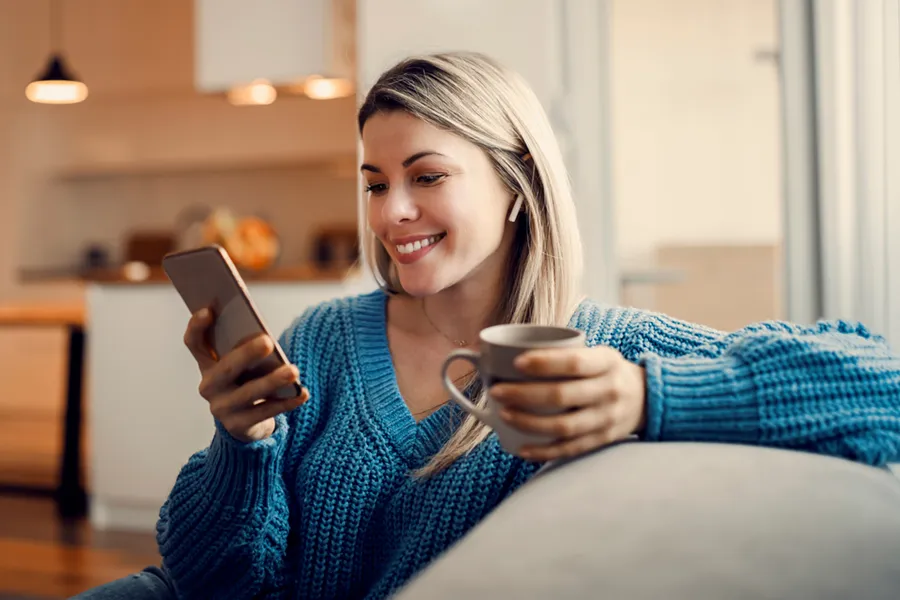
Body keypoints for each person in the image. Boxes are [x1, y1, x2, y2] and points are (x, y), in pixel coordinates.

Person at [74, 51, 900, 600]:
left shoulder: (603, 353)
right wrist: (240, 444)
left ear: (515, 186)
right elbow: (207, 577)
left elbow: (881, 387)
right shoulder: (325, 338)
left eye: (426, 176)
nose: (392, 213)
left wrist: (650, 397)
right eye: (373, 183)